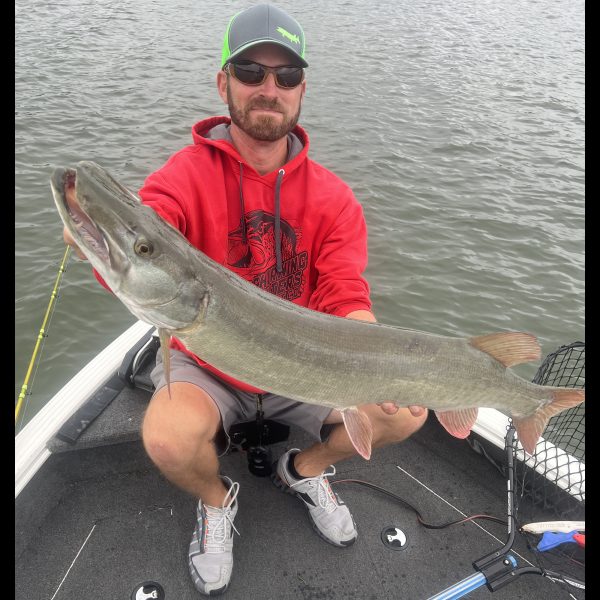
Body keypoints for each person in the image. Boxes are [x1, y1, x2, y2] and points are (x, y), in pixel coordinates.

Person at [64, 3, 427, 596]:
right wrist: (95, 241)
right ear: (223, 82)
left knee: (404, 414)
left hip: (302, 362)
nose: (268, 88)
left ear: (301, 90)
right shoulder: (180, 178)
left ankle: (304, 468)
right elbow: (151, 242)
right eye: (251, 71)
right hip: (206, 355)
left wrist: (371, 359)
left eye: (284, 77)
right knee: (168, 437)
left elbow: (344, 294)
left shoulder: (334, 199)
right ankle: (216, 499)